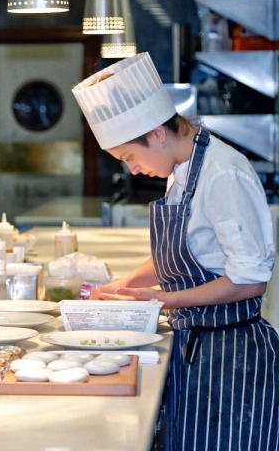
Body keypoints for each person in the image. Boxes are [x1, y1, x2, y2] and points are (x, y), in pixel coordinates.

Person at [71, 52, 279, 450]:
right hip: (196, 350)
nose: (133, 169)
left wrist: (162, 300)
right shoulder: (180, 170)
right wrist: (123, 286)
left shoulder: (223, 173)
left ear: (158, 133)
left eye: (130, 156)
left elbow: (249, 281)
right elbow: (184, 252)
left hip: (231, 359)